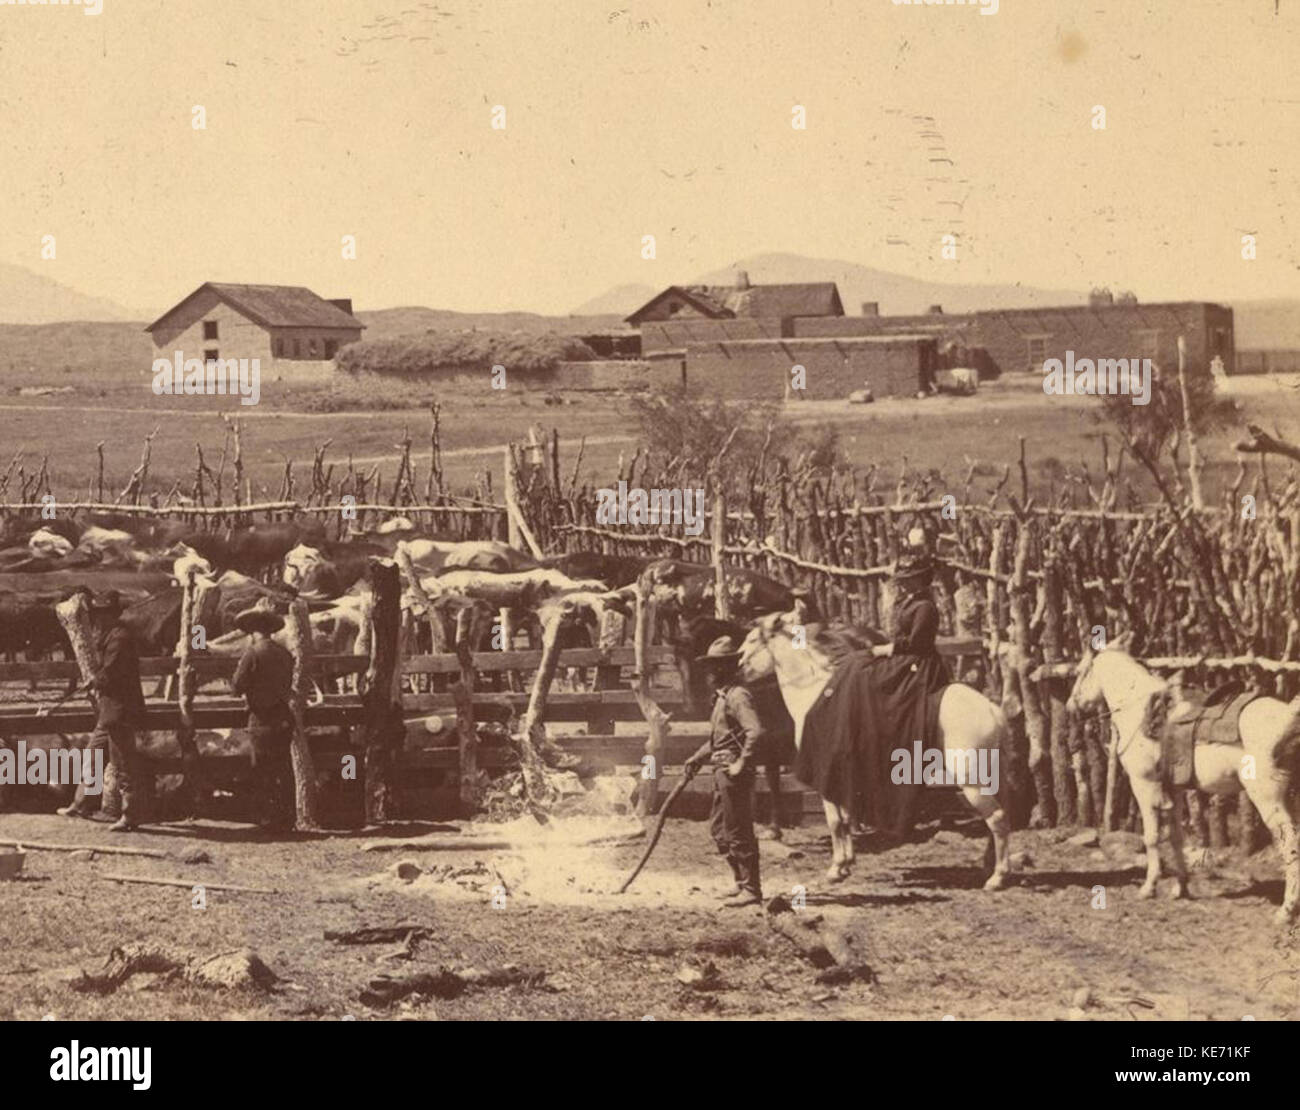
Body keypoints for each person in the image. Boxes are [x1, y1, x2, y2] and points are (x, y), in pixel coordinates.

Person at [683, 636, 765, 908]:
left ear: (726, 668)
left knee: (738, 829)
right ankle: (740, 883)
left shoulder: (739, 696)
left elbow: (755, 731)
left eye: (715, 666)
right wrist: (697, 757)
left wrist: (741, 762)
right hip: (720, 770)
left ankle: (752, 889)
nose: (709, 672)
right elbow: (720, 738)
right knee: (720, 829)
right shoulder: (722, 697)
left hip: (734, 773)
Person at [59, 590, 147, 831]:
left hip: (120, 710)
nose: (99, 618)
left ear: (112, 614)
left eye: (103, 613)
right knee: (92, 754)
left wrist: (94, 681)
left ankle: (130, 816)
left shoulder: (120, 638)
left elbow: (111, 672)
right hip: (109, 710)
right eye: (97, 614)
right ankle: (82, 804)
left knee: (123, 764)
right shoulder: (111, 635)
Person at [230, 605, 297, 832]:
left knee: (262, 770)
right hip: (283, 717)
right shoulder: (284, 653)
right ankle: (287, 817)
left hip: (262, 719)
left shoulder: (253, 653)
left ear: (252, 632)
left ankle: (267, 818)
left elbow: (237, 686)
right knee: (283, 768)